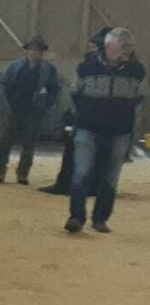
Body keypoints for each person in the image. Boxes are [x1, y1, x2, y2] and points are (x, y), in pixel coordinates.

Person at [65, 27, 148, 233]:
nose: (128, 50)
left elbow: (140, 100)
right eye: (124, 46)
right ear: (110, 47)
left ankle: (100, 218)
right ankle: (76, 217)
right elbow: (75, 93)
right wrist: (83, 116)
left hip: (120, 130)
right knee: (81, 173)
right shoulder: (86, 66)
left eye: (129, 47)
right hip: (87, 127)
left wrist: (133, 131)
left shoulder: (138, 70)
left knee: (111, 177)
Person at [41, 27, 111, 195]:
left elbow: (76, 91)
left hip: (88, 114)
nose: (91, 48)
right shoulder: (102, 64)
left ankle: (67, 184)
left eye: (94, 46)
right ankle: (86, 185)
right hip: (98, 116)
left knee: (76, 150)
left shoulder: (89, 64)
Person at [0, 36, 59, 185]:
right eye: (31, 49)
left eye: (37, 50)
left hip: (34, 110)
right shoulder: (14, 67)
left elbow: (54, 89)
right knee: (5, 141)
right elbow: (4, 84)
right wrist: (8, 102)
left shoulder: (48, 69)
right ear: (27, 51)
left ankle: (23, 173)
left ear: (42, 52)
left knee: (29, 143)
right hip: (14, 107)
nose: (34, 52)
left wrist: (46, 104)